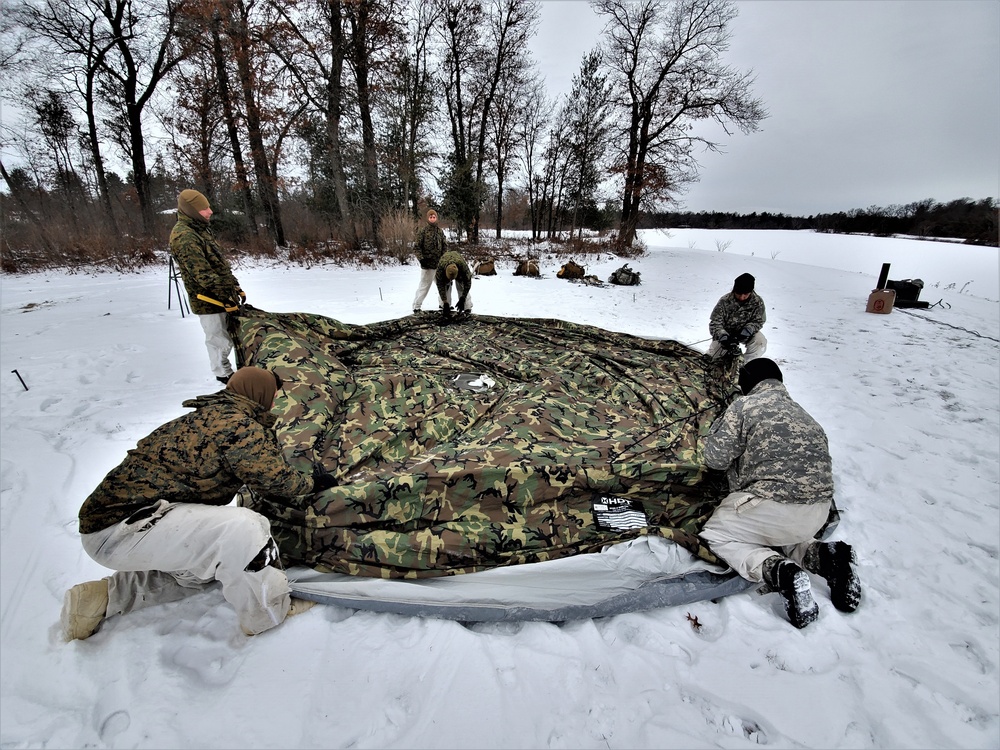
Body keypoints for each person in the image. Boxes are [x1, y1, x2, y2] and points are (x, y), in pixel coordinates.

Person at [60, 367, 338, 640]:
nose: (276, 401)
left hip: (117, 528)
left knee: (202, 571)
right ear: (259, 393)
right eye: (275, 394)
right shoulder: (236, 424)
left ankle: (101, 598)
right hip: (124, 528)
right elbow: (275, 481)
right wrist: (313, 483)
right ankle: (266, 612)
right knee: (244, 528)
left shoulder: (208, 417)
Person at [698, 358, 861, 629]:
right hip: (818, 513)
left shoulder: (744, 406)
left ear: (748, 383)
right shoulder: (807, 415)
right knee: (782, 533)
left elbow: (715, 459)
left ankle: (777, 571)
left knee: (716, 534)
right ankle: (826, 557)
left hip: (771, 507)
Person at [169, 189, 245, 384]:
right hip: (207, 300)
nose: (210, 211)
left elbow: (218, 264)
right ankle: (223, 375)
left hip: (222, 296)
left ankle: (235, 372)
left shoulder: (201, 229)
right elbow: (203, 275)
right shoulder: (184, 236)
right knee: (218, 338)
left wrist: (234, 287)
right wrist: (224, 297)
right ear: (192, 210)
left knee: (230, 337)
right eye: (204, 209)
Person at [707, 273, 767, 361]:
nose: (742, 297)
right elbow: (715, 322)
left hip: (745, 334)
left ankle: (746, 364)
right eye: (739, 294)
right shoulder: (725, 301)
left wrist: (747, 330)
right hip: (725, 335)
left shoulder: (757, 302)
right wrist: (723, 335)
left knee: (760, 342)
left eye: (745, 294)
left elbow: (758, 321)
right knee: (712, 359)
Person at [412, 208, 448, 314]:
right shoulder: (423, 231)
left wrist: (444, 259)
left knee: (442, 285)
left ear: (436, 218)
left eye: (434, 217)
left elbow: (444, 247)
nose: (432, 218)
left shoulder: (440, 232)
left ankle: (443, 304)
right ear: (428, 218)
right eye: (430, 217)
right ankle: (416, 306)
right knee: (424, 286)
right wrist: (421, 259)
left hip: (439, 264)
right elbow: (416, 247)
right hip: (427, 265)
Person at [435, 250, 473, 316]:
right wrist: (445, 302)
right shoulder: (440, 269)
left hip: (459, 269)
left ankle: (467, 307)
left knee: (461, 286)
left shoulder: (463, 267)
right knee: (446, 287)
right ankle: (443, 305)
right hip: (445, 266)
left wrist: (463, 298)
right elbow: (440, 286)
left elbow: (467, 283)